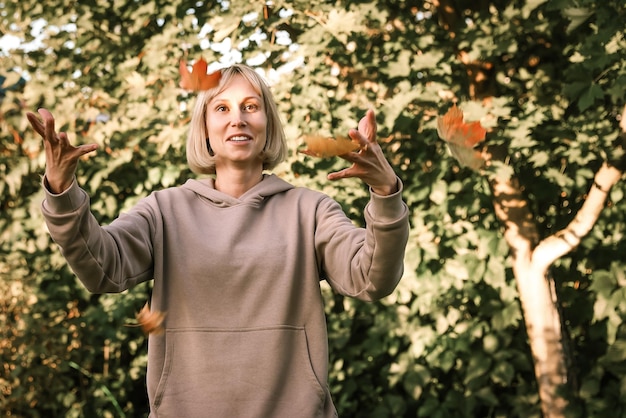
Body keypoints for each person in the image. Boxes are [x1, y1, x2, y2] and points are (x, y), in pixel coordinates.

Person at [26, 64, 409, 418]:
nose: (237, 119)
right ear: (205, 128)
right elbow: (101, 269)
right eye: (221, 109)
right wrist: (62, 190)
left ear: (267, 124)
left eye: (250, 106)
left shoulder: (310, 210)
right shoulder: (164, 211)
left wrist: (386, 192)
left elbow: (371, 278)